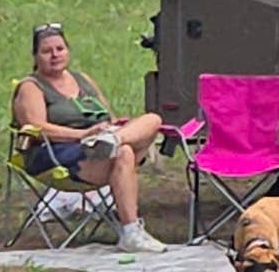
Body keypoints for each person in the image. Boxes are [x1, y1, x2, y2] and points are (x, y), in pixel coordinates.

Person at [13, 22, 168, 254]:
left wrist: (113, 128)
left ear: (68, 50)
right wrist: (83, 134)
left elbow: (108, 114)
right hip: (57, 153)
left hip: (101, 142)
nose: (55, 55)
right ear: (35, 56)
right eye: (46, 51)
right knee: (124, 152)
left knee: (153, 119)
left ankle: (113, 141)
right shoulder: (31, 87)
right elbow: (36, 128)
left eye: (60, 49)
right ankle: (131, 232)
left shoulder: (82, 79)